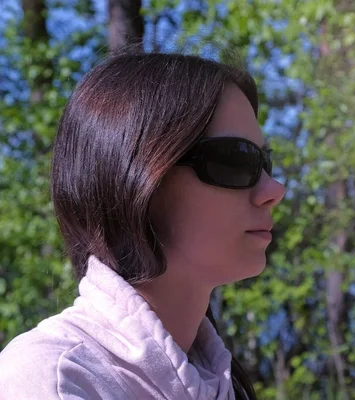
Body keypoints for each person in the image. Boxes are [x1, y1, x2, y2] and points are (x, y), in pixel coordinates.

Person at [0, 51, 285, 399]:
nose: (274, 190)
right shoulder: (53, 379)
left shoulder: (222, 384)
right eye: (237, 159)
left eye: (265, 162)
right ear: (137, 175)